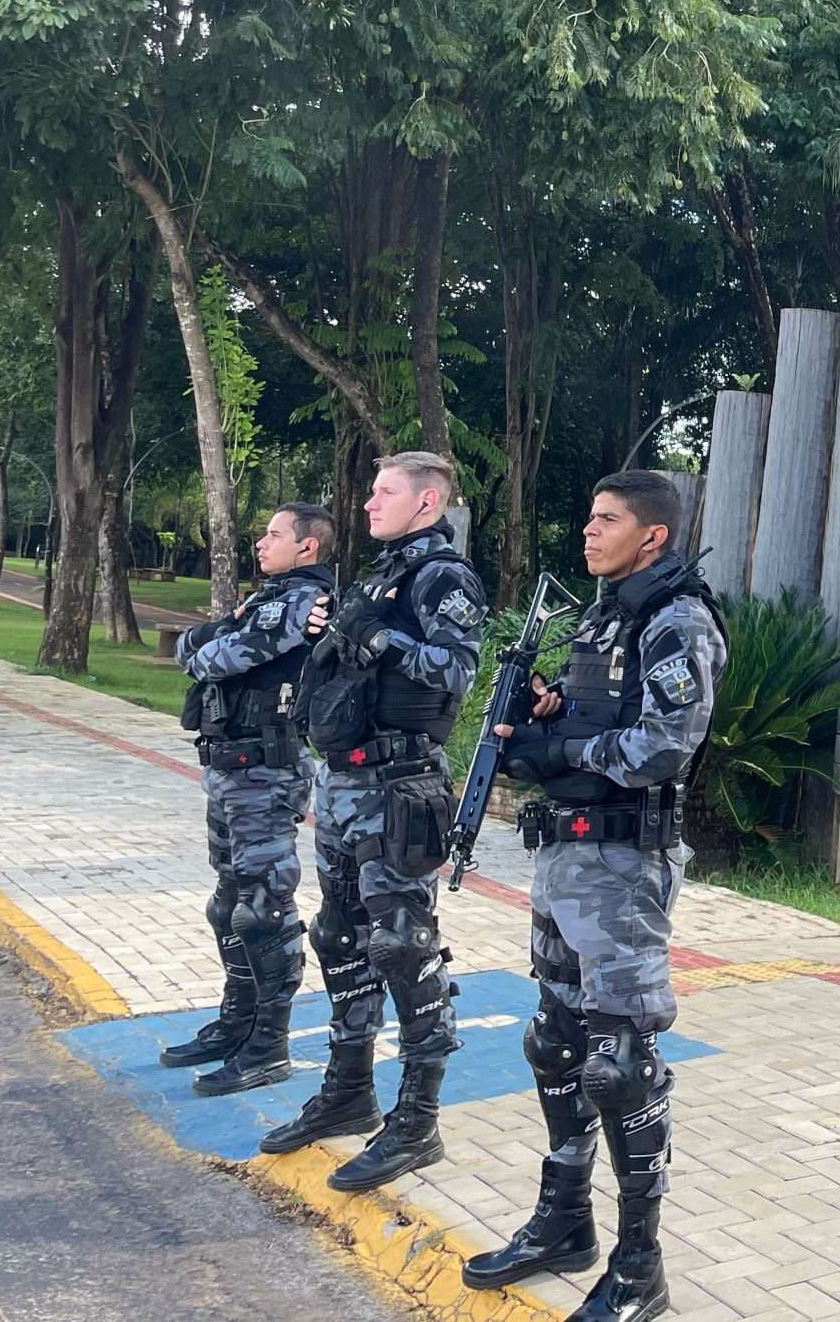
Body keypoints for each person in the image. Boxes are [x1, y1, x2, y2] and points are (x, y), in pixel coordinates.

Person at [462, 470, 723, 1322]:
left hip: (623, 866)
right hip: (566, 858)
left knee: (619, 1061)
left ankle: (640, 1267)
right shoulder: (604, 613)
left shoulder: (676, 619)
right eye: (587, 514)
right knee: (555, 1041)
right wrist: (547, 714)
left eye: (606, 519)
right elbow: (590, 712)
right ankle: (563, 1221)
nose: (588, 529)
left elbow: (663, 744)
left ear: (652, 536)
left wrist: (564, 754)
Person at [260, 451, 488, 1193]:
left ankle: (417, 1122)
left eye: (383, 492)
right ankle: (348, 1089)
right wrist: (336, 631)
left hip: (399, 782)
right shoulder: (382, 571)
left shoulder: (442, 577)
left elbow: (455, 672)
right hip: (345, 779)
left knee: (403, 946)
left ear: (427, 502)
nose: (367, 503)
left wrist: (377, 637)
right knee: (340, 935)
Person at [159, 503, 337, 1096]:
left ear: (307, 547)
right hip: (232, 768)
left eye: (274, 534)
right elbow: (190, 650)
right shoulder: (270, 600)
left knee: (263, 908)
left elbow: (210, 657)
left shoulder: (300, 601)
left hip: (267, 769)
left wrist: (212, 634)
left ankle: (270, 1043)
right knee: (228, 903)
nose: (261, 543)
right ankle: (238, 1021)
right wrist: (213, 634)